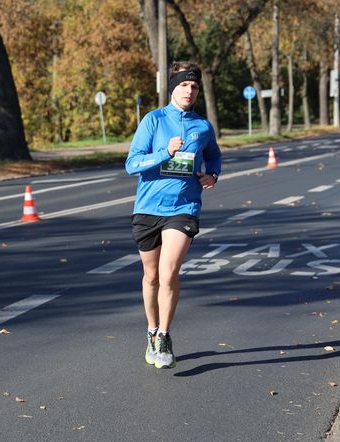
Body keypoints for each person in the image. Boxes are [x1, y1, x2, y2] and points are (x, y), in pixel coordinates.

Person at [125, 61, 221, 369]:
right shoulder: (153, 121)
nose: (190, 91)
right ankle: (152, 330)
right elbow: (132, 164)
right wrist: (164, 153)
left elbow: (214, 155)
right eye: (184, 85)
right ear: (173, 88)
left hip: (184, 208)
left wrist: (212, 175)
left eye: (194, 86)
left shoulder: (203, 127)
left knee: (168, 273)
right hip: (148, 208)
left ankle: (165, 335)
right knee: (151, 276)